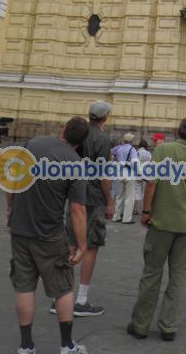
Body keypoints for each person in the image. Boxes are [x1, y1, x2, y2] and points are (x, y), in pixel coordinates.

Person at [127, 116, 186, 342]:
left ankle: (140, 325)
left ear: (178, 131)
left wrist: (146, 212)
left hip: (161, 223)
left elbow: (152, 183)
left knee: (151, 274)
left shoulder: (163, 151)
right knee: (178, 277)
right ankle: (168, 326)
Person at [8, 117, 90, 354]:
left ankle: (26, 346)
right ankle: (66, 345)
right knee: (63, 288)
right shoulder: (75, 163)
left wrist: (10, 208)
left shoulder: (32, 144)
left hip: (21, 229)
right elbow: (77, 209)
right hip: (51, 234)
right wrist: (82, 245)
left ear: (63, 129)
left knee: (24, 287)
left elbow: (11, 177)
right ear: (81, 142)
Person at [67, 100, 113, 317]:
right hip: (93, 199)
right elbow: (104, 176)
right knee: (91, 246)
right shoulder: (102, 139)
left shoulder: (78, 133)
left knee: (71, 244)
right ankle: (81, 299)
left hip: (74, 194)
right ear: (105, 117)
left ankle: (61, 296)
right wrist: (110, 201)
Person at [112, 133, 138, 224]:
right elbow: (134, 162)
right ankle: (126, 218)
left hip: (119, 173)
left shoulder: (119, 149)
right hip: (129, 174)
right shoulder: (132, 149)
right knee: (129, 197)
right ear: (131, 141)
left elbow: (114, 159)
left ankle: (116, 216)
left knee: (119, 196)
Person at [133, 139, 151, 216]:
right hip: (146, 174)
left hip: (137, 174)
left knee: (137, 192)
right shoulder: (149, 153)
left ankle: (135, 209)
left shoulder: (136, 152)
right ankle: (145, 209)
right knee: (145, 192)